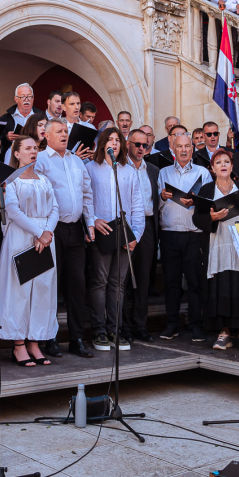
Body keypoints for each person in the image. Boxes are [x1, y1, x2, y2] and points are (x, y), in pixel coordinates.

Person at [0, 135, 60, 366]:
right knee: (19, 290)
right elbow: (12, 210)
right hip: (21, 237)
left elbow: (55, 207)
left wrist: (47, 232)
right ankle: (19, 344)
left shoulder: (43, 178)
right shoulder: (10, 180)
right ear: (16, 153)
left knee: (42, 290)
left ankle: (35, 341)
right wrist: (38, 232)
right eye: (28, 148)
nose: (33, 152)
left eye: (36, 148)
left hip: (44, 238)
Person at [34, 119, 96, 358]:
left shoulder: (76, 160)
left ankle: (76, 338)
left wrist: (90, 222)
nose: (64, 135)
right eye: (58, 131)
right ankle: (49, 339)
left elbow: (87, 193)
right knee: (51, 285)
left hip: (75, 230)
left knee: (77, 286)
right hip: (53, 229)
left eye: (65, 131)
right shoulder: (40, 160)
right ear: (46, 136)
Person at [84, 127, 145, 351]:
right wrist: (93, 220)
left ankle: (114, 329)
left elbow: (137, 206)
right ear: (102, 144)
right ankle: (99, 331)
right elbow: (86, 199)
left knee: (118, 284)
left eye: (117, 140)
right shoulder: (90, 168)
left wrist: (136, 236)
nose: (114, 143)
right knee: (99, 282)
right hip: (102, 232)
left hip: (124, 235)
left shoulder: (128, 171)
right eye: (109, 140)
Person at [193, 148, 239, 351]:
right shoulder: (206, 190)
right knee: (221, 285)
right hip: (218, 243)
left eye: (226, 161)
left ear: (232, 166)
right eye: (218, 162)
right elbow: (197, 218)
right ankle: (225, 332)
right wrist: (211, 218)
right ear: (212, 168)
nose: (223, 165)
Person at [156, 134, 211, 341]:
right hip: (169, 233)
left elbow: (208, 203)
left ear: (193, 148)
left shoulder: (203, 172)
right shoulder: (163, 172)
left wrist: (196, 203)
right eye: (180, 146)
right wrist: (162, 197)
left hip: (193, 234)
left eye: (187, 146)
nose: (184, 150)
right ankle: (172, 324)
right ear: (173, 149)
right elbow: (156, 203)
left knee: (194, 282)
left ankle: (196, 324)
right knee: (171, 283)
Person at [122, 129, 159, 343]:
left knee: (143, 279)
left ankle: (140, 325)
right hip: (125, 227)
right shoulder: (119, 167)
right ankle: (124, 326)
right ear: (127, 144)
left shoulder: (153, 170)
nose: (141, 149)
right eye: (137, 144)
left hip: (147, 227)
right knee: (123, 280)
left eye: (145, 145)